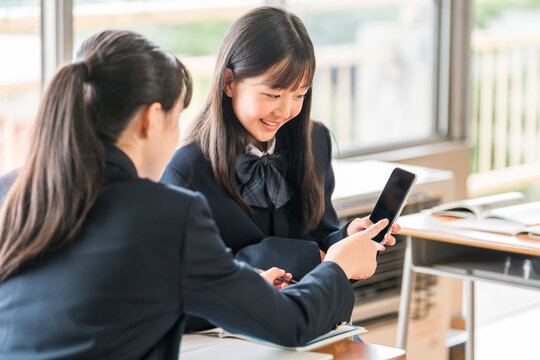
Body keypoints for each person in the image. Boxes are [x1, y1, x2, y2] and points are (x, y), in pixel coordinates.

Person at [0, 30, 390, 359]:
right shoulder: (171, 211)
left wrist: (242, 286)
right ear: (152, 119)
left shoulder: (11, 191)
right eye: (176, 117)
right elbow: (291, 324)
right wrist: (337, 266)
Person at [161, 6, 400, 282]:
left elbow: (318, 234)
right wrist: (318, 258)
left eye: (299, 95)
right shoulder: (187, 171)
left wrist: (345, 238)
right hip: (235, 320)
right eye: (273, 95)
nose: (285, 111)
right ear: (229, 82)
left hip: (311, 315)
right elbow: (193, 276)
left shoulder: (314, 141)